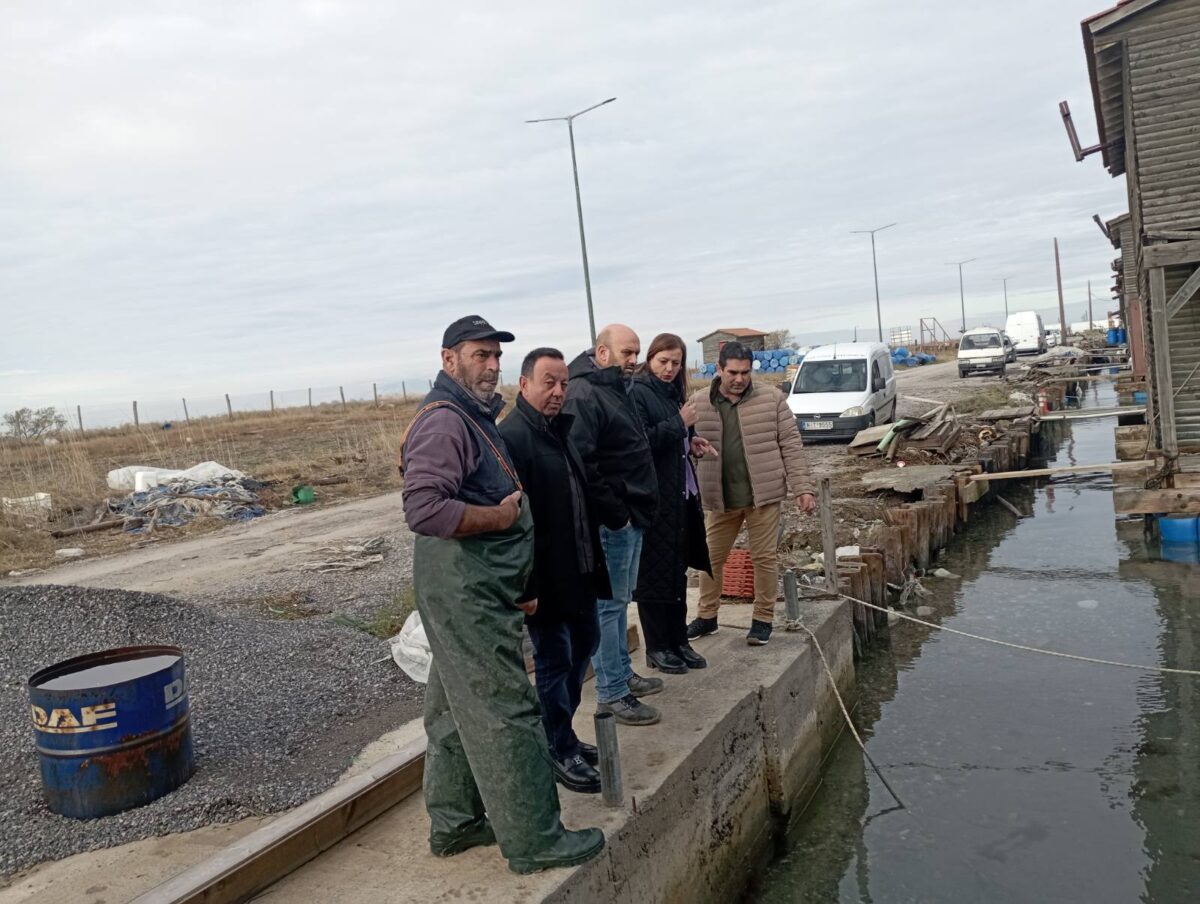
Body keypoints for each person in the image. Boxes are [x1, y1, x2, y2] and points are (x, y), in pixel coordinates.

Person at [400, 315, 603, 874]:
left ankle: (456, 823)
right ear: (449, 360)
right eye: (478, 355)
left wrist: (518, 580)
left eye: (495, 356)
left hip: (473, 588)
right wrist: (500, 518)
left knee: (451, 710)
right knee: (506, 710)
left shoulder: (473, 417)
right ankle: (535, 839)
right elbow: (424, 509)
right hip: (465, 593)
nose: (491, 365)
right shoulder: (446, 423)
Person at [499, 347, 609, 795]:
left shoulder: (559, 430)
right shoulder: (513, 438)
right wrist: (525, 585)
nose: (559, 391)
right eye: (549, 382)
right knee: (554, 660)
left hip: (579, 570)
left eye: (563, 383)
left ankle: (562, 733)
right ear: (524, 384)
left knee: (585, 645)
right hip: (545, 580)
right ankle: (558, 749)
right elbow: (514, 525)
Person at [686, 341, 817, 647]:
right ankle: (707, 616)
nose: (739, 379)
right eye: (733, 372)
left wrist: (802, 488)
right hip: (719, 498)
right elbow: (686, 447)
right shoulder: (698, 403)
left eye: (745, 372)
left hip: (763, 496)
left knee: (764, 558)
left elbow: (791, 444)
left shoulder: (772, 399)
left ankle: (762, 619)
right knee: (709, 558)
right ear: (719, 369)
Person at [564, 324, 662, 726]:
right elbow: (582, 462)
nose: (634, 360)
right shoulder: (583, 393)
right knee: (607, 606)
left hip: (630, 513)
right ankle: (611, 693)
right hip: (612, 520)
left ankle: (621, 673)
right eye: (627, 353)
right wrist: (615, 513)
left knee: (620, 602)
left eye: (637, 352)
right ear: (602, 353)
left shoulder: (614, 387)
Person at [628, 332, 713, 673]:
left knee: (677, 569)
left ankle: (679, 640)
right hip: (655, 497)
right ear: (650, 359)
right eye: (663, 361)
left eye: (675, 363)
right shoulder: (637, 392)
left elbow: (676, 436)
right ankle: (657, 646)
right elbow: (640, 442)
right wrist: (680, 424)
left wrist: (692, 440)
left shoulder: (673, 392)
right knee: (653, 574)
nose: (669, 368)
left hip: (681, 493)